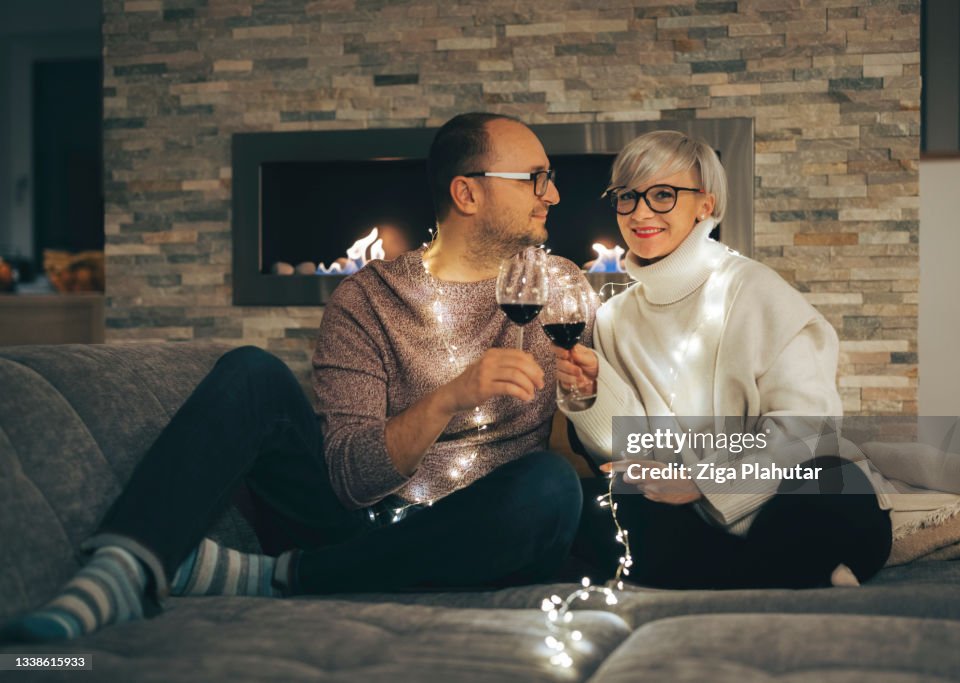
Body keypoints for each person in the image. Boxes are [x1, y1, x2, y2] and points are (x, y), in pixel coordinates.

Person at [4, 112, 591, 643]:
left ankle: (275, 577)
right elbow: (347, 478)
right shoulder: (369, 299)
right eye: (535, 178)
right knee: (251, 372)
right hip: (356, 522)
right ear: (467, 192)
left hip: (479, 532)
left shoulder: (561, 289)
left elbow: (577, 453)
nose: (554, 194)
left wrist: (586, 400)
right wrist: (452, 397)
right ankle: (120, 570)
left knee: (551, 490)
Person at [556, 130, 893, 590]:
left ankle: (731, 575)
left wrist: (704, 481)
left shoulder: (756, 290)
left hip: (780, 503)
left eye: (662, 195)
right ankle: (798, 575)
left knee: (834, 480)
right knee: (593, 505)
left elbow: (807, 429)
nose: (640, 213)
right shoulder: (615, 317)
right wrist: (596, 394)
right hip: (682, 517)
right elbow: (628, 456)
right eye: (627, 197)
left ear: (705, 205)